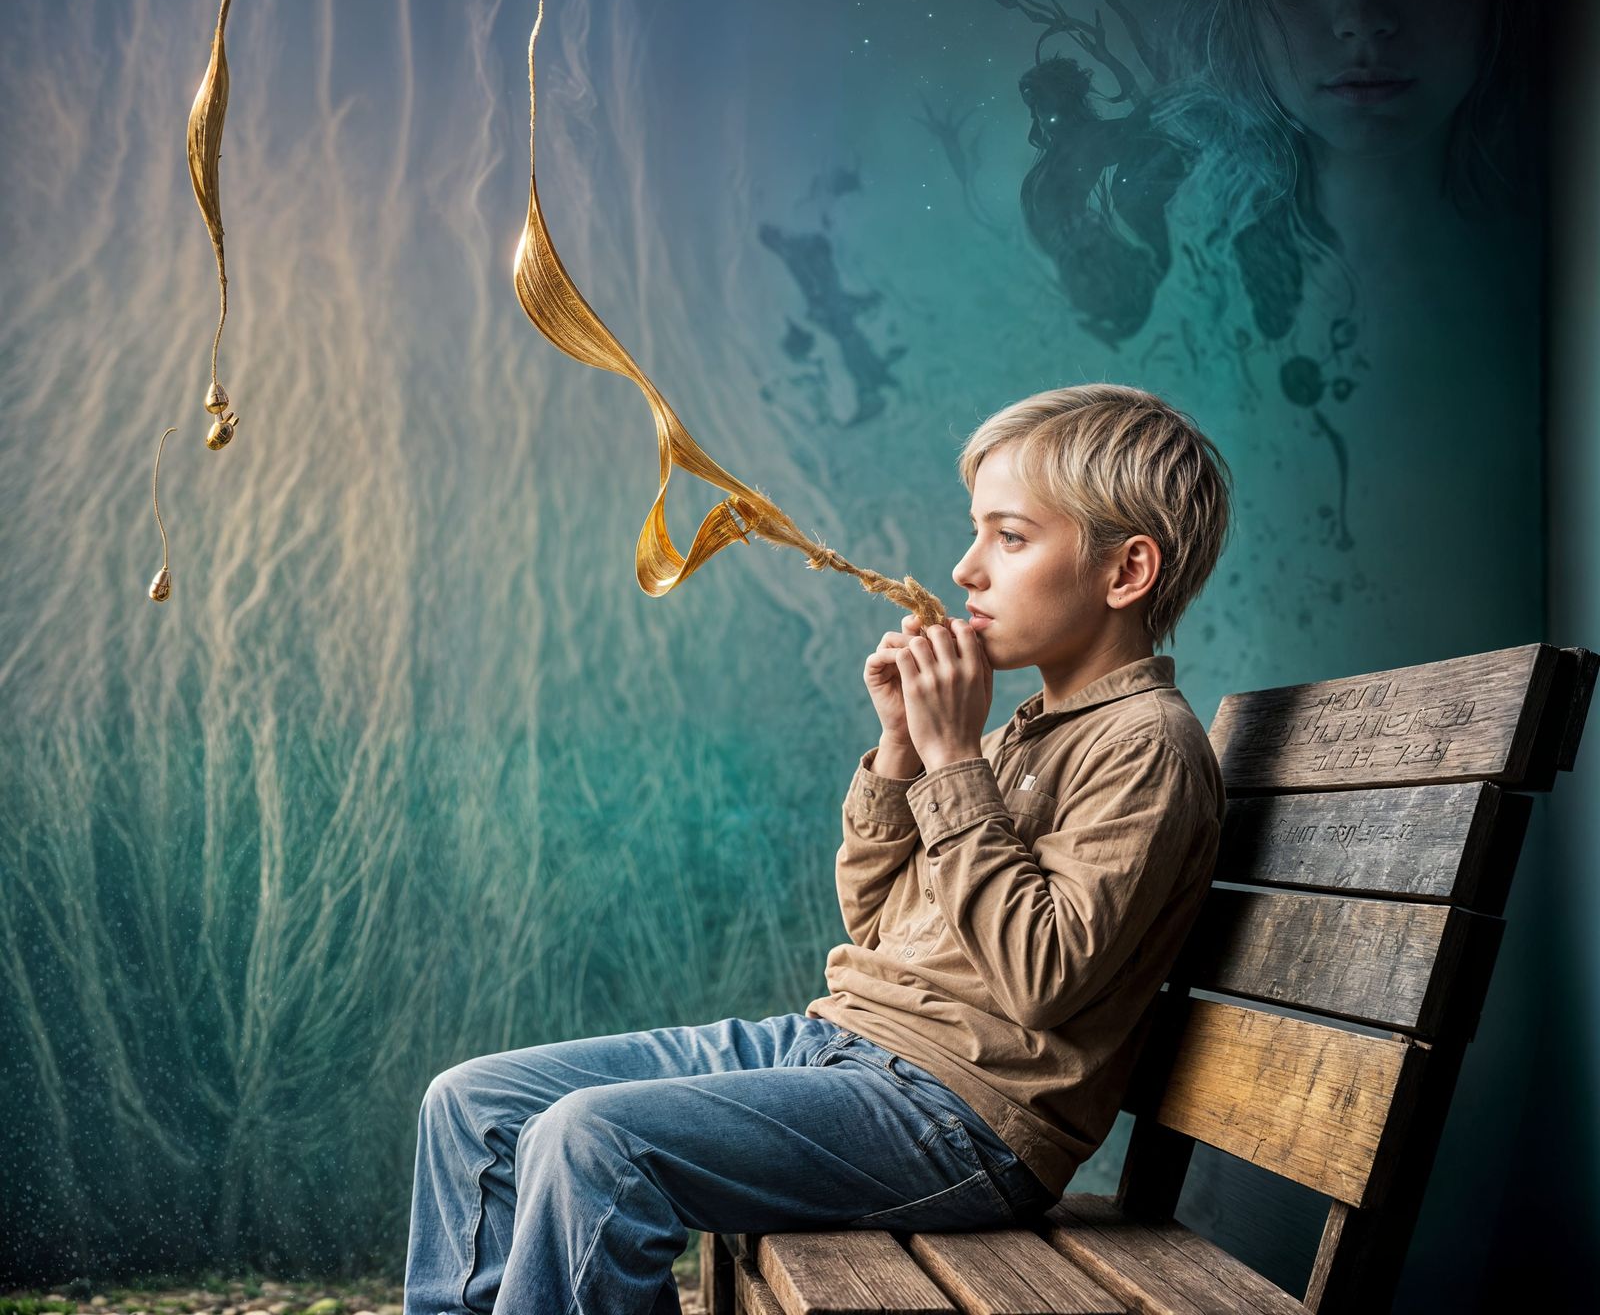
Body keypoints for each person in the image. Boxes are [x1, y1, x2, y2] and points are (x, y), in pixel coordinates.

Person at [403, 382, 1233, 1314]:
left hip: (962, 1121)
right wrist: (901, 754)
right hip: (836, 1048)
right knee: (474, 1104)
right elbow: (878, 924)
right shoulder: (1018, 735)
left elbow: (1042, 979)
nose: (965, 569)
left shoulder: (1148, 747)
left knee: (595, 1142)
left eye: (1009, 537)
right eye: (976, 532)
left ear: (1126, 573)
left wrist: (955, 761)